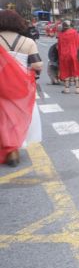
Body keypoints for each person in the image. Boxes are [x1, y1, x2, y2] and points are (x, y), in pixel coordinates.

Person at [0, 10, 42, 166]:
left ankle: (8, 147)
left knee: (3, 116)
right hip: (21, 84)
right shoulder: (28, 42)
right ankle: (14, 147)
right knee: (18, 115)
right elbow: (37, 64)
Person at [57, 19, 79, 94]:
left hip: (64, 55)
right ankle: (78, 88)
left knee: (65, 70)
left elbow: (59, 46)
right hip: (74, 54)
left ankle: (66, 88)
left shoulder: (61, 34)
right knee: (76, 70)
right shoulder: (75, 33)